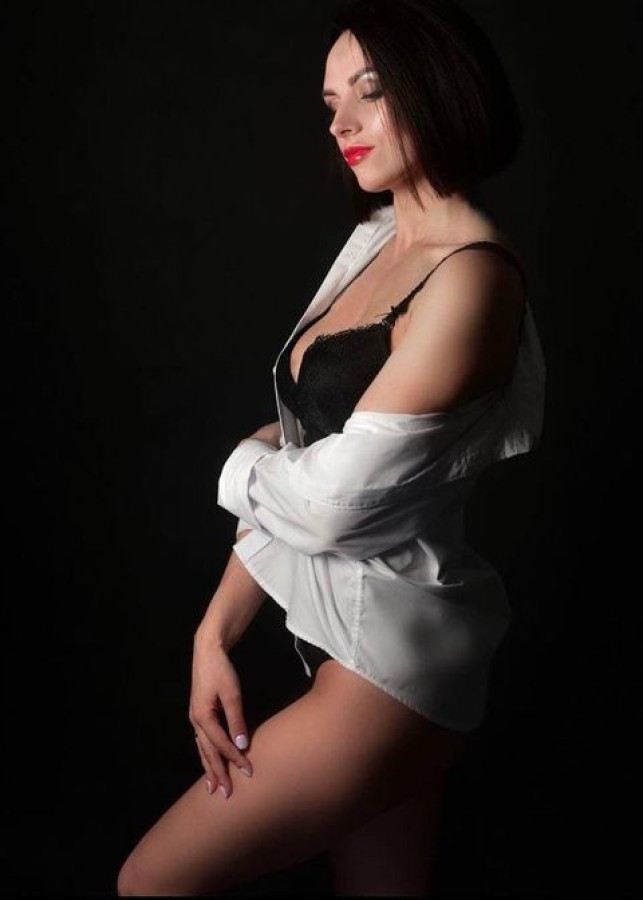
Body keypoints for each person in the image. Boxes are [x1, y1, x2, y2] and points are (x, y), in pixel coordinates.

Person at [117, 0, 545, 895]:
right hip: (343, 644)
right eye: (328, 103)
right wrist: (214, 630)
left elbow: (329, 503)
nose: (340, 122)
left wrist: (238, 462)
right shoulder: (376, 241)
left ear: (438, 89)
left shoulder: (470, 278)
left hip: (389, 671)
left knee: (149, 884)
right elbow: (306, 451)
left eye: (370, 91)